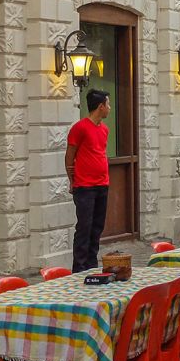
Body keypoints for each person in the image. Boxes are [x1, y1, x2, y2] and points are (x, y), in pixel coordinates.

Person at [66, 89, 111, 272]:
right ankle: (79, 268)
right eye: (108, 104)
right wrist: (72, 180)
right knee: (84, 227)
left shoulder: (105, 129)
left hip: (102, 184)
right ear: (100, 107)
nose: (109, 108)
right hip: (84, 186)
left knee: (97, 227)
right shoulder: (80, 128)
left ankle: (92, 265)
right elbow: (70, 156)